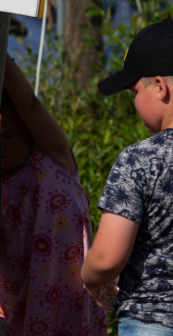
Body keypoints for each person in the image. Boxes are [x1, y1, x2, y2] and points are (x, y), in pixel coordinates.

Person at [0, 56, 108, 335]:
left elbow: (29, 104)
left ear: (29, 131)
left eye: (9, 137)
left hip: (70, 305)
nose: (2, 147)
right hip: (15, 310)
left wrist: (0, 54)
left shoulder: (55, 159)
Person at [82, 19, 173, 335]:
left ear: (160, 87)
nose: (134, 102)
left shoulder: (140, 160)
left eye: (134, 91)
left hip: (153, 320)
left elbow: (107, 258)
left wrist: (91, 278)